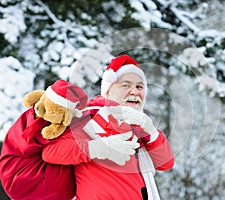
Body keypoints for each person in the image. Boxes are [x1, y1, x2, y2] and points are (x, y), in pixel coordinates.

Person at [42, 54, 174, 200]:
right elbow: (51, 152)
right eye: (126, 85)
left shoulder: (139, 126)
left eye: (139, 86)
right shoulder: (88, 117)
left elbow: (166, 163)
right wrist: (101, 147)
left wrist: (150, 130)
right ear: (107, 91)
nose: (134, 91)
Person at [0, 80, 89, 200]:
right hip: (30, 181)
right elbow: (32, 141)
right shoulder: (42, 125)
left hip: (12, 176)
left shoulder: (31, 116)